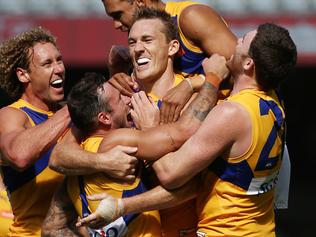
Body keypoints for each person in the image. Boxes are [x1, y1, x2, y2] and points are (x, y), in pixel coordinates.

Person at [77, 23, 297, 237]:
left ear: (248, 63)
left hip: (226, 230)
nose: (234, 42)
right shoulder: (274, 106)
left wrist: (150, 129)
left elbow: (171, 174)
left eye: (242, 41)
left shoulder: (231, 113)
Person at [49, 8, 227, 237]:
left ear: (172, 47)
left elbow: (193, 184)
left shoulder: (196, 101)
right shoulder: (118, 98)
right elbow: (60, 155)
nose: (138, 48)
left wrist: (196, 83)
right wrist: (102, 162)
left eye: (147, 40)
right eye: (132, 42)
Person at [0, 26, 136, 237]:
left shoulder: (68, 115)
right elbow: (19, 155)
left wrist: (115, 73)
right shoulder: (13, 114)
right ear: (23, 75)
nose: (59, 69)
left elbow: (110, 120)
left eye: (59, 60)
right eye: (47, 63)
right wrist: (78, 105)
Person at [42, 72, 162, 236]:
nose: (129, 100)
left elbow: (52, 229)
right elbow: (182, 133)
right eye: (121, 98)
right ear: (104, 118)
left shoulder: (75, 169)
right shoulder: (119, 142)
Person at [101, 0, 237, 123]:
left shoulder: (190, 17)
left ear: (140, 2)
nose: (116, 25)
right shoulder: (141, 44)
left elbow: (246, 67)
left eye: (118, 15)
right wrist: (117, 71)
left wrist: (190, 85)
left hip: (223, 121)